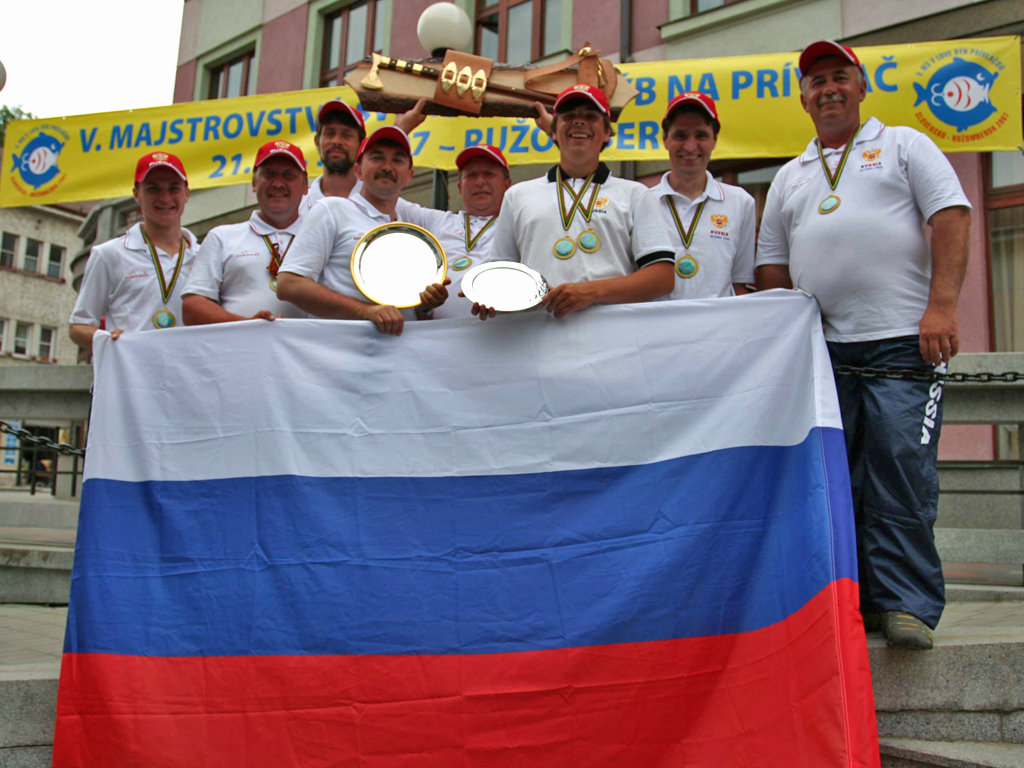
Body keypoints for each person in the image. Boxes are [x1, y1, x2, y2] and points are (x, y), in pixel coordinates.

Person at [756, 40, 971, 650]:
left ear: (860, 86)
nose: (828, 88)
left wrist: (942, 306)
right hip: (825, 353)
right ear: (803, 98)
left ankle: (907, 604)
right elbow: (770, 266)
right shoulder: (791, 174)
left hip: (905, 344)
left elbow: (952, 216)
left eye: (839, 77)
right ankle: (855, 600)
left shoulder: (903, 144)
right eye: (816, 81)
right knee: (836, 478)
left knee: (899, 466)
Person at [486, 84, 674, 319]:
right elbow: (501, 273)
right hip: (538, 332)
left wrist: (592, 292)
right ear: (554, 132)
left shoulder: (635, 194)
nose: (578, 121)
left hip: (611, 332)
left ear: (607, 133)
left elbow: (662, 277)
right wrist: (489, 297)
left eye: (591, 116)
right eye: (569, 116)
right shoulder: (518, 195)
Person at [276, 126, 447, 335]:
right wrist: (364, 312)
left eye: (397, 160)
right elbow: (289, 284)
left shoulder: (411, 235)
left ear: (409, 175)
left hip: (399, 352)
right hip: (339, 351)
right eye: (377, 158)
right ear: (358, 171)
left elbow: (408, 314)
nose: (387, 167)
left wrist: (425, 306)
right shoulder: (332, 210)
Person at [69, 152, 198, 355]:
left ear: (186, 194)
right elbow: (78, 326)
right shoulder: (109, 254)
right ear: (137, 194)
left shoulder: (204, 256)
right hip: (133, 373)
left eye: (174, 188)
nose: (165, 197)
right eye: (153, 189)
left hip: (189, 371)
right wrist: (107, 341)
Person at [181, 141, 310, 324]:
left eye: (288, 175)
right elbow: (193, 307)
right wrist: (248, 326)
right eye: (269, 174)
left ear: (305, 186)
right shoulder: (222, 237)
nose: (278, 183)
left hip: (304, 343)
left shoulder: (320, 239)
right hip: (240, 343)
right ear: (254, 183)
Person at [652, 92, 754, 299]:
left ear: (714, 140)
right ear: (665, 140)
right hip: (659, 320)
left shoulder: (741, 202)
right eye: (680, 135)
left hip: (719, 320)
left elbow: (739, 282)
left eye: (701, 135)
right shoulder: (642, 202)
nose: (690, 146)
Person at [398, 144, 511, 319]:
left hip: (499, 331)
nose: (480, 182)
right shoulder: (435, 221)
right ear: (459, 188)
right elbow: (379, 193)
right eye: (471, 175)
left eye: (489, 174)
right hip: (439, 333)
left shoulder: (518, 225)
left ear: (507, 185)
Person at [305, 98, 426, 207]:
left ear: (361, 144)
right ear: (317, 142)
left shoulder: (388, 204)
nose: (337, 141)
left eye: (346, 135)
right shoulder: (299, 206)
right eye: (330, 133)